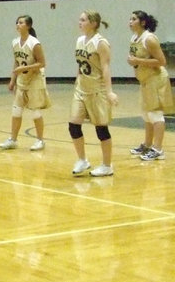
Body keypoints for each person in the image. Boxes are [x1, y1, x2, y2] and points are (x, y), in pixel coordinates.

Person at [69, 10, 118, 177]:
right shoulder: (79, 40)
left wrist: (110, 92)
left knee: (101, 129)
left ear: (94, 23)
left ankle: (107, 165)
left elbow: (106, 67)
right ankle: (82, 160)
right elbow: (81, 63)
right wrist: (77, 79)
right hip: (81, 89)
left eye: (83, 20)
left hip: (97, 90)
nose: (80, 22)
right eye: (80, 19)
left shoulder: (101, 43)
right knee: (73, 125)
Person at [127, 10, 174, 161]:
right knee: (146, 115)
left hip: (156, 79)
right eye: (130, 19)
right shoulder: (134, 37)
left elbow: (162, 61)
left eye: (134, 19)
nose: (130, 21)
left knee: (155, 114)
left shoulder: (150, 39)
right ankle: (147, 144)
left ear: (143, 22)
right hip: (145, 80)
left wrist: (138, 61)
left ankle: (158, 149)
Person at [0, 15, 51, 151]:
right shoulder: (15, 42)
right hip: (22, 80)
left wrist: (25, 68)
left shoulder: (34, 43)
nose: (18, 24)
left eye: (21, 22)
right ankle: (13, 140)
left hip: (35, 80)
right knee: (16, 111)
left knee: (35, 112)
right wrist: (12, 80)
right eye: (17, 22)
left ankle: (40, 140)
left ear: (28, 26)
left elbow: (42, 63)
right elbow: (16, 61)